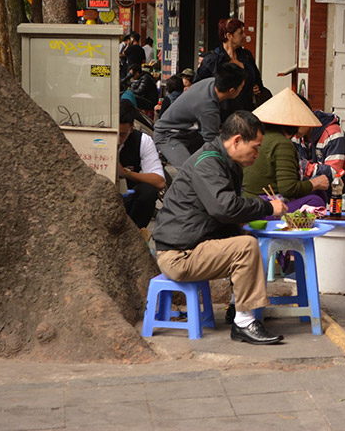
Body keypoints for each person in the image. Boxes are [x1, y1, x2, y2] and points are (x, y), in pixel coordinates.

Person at [152, 111, 289, 345]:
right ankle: (244, 323)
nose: (257, 154)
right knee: (245, 246)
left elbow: (224, 211)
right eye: (255, 147)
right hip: (179, 255)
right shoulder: (208, 163)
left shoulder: (222, 161)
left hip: (192, 245)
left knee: (245, 237)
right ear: (236, 141)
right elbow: (224, 208)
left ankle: (237, 308)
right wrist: (266, 207)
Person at [242, 88, 329, 210]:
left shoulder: (260, 135)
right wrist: (314, 183)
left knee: (316, 193)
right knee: (316, 200)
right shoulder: (282, 143)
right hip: (264, 205)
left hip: (248, 200)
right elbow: (288, 189)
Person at [153, 63, 245, 168]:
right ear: (232, 90)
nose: (242, 90)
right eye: (241, 88)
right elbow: (211, 142)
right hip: (166, 134)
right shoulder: (208, 107)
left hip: (187, 132)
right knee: (190, 172)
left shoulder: (210, 82)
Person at [195, 18, 271, 121]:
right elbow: (198, 88)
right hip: (221, 117)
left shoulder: (246, 56)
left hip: (246, 113)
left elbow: (258, 80)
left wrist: (256, 87)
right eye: (240, 33)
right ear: (229, 36)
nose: (244, 36)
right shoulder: (212, 60)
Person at [292, 98, 345, 193]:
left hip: (343, 190)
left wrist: (302, 166)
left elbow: (333, 174)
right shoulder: (296, 135)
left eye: (295, 123)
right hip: (317, 185)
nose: (291, 128)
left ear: (308, 117)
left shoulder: (333, 134)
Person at [118, 100, 166, 228]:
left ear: (131, 128)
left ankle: (135, 231)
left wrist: (126, 173)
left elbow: (159, 182)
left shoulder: (142, 141)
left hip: (127, 195)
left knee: (148, 191)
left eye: (122, 135)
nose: (117, 139)